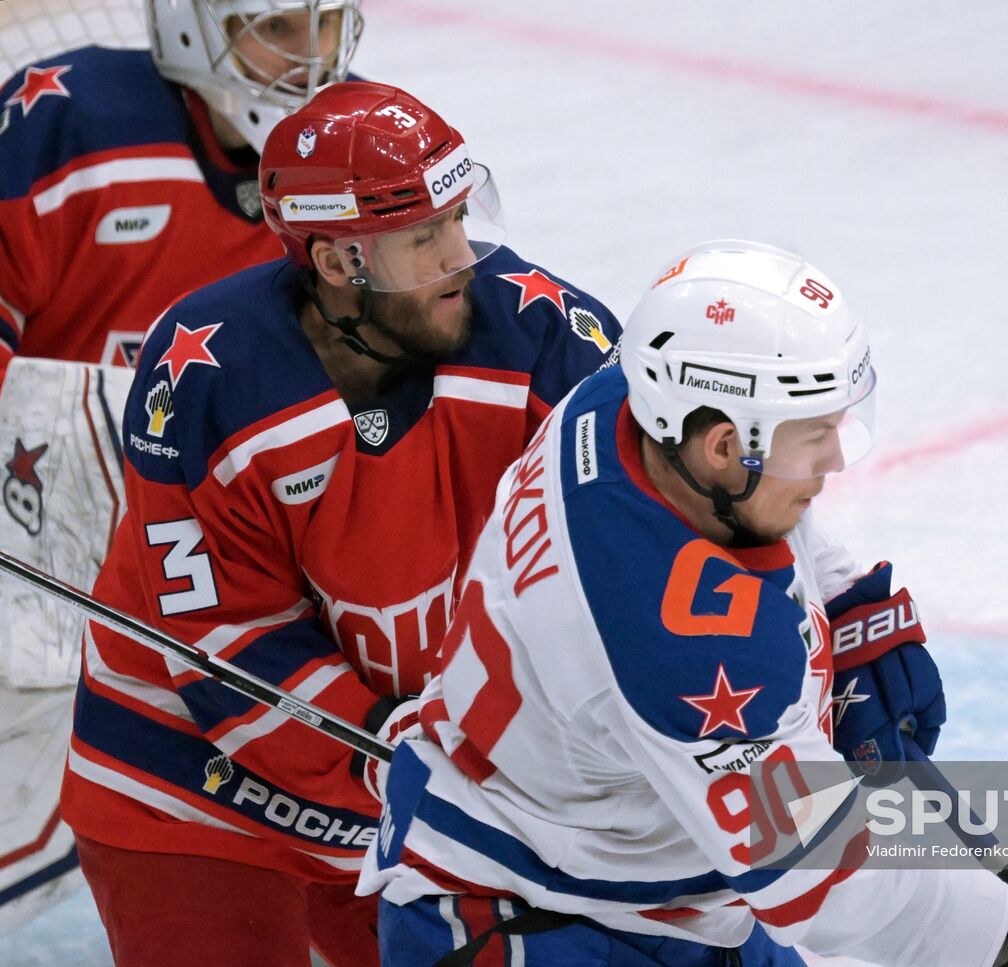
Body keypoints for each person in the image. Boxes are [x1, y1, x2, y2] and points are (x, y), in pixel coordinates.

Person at [359, 240, 1008, 966]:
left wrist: (846, 603)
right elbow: (829, 884)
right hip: (534, 919)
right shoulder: (686, 644)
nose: (832, 463)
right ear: (722, 443)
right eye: (811, 435)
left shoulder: (621, 404)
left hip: (650, 881)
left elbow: (758, 512)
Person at [58, 80, 623, 967]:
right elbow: (228, 644)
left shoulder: (547, 341)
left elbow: (665, 534)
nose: (461, 257)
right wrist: (410, 748)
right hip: (190, 789)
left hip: (418, 782)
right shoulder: (210, 379)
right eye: (423, 238)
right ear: (336, 262)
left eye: (458, 218)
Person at [0, 0, 366, 929]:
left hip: (223, 568)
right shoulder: (68, 121)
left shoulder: (360, 147)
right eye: (281, 28)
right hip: (35, 533)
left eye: (330, 26)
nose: (313, 60)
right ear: (197, 27)